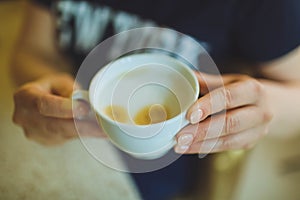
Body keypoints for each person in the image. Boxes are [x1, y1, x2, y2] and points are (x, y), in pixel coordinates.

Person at [11, 0, 300, 199]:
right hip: (66, 141)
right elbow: (31, 51)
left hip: (165, 162)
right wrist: (48, 96)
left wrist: (266, 107)